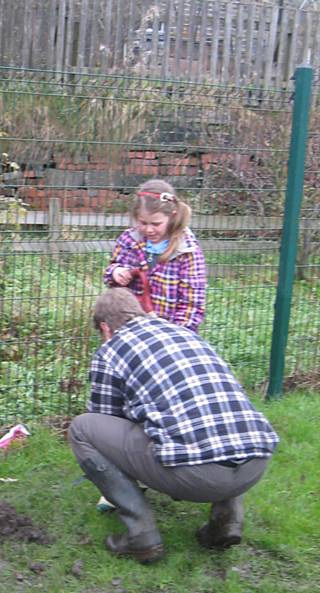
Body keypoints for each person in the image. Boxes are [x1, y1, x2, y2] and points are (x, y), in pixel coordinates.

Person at [68, 288, 279, 564]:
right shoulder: (184, 334)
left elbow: (106, 420)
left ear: (105, 328)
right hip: (255, 464)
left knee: (82, 429)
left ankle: (141, 535)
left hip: (197, 478)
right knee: (219, 421)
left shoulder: (111, 351)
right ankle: (226, 521)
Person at [104, 179, 206, 333]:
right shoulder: (129, 240)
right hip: (131, 328)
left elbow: (192, 303)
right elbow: (111, 271)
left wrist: (176, 334)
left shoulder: (187, 250)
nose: (149, 230)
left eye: (156, 224)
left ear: (172, 216)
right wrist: (116, 272)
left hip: (170, 333)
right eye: (143, 223)